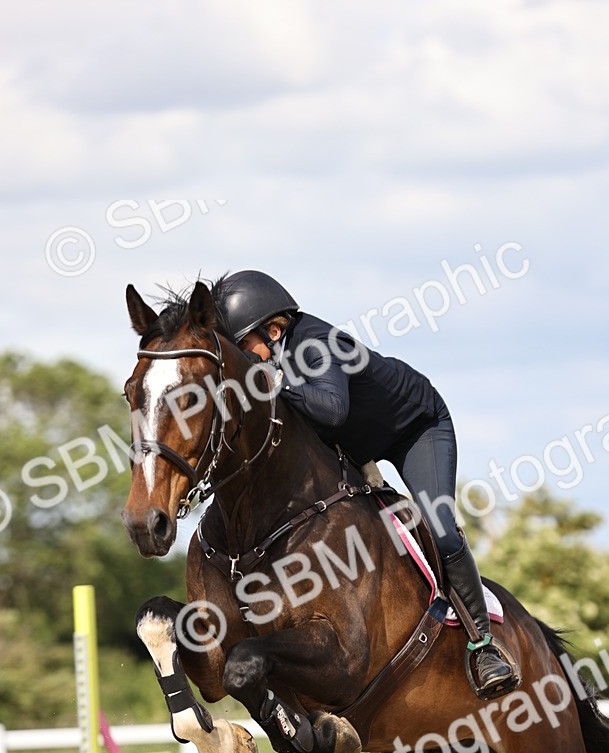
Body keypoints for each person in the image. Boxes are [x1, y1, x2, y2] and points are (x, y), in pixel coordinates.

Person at [215, 270, 519, 699]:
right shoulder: (272, 355)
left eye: (245, 346)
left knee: (439, 528)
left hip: (414, 428)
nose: (246, 357)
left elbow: (333, 410)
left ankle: (484, 646)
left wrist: (278, 382)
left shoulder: (314, 343)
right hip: (355, 444)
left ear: (274, 328)